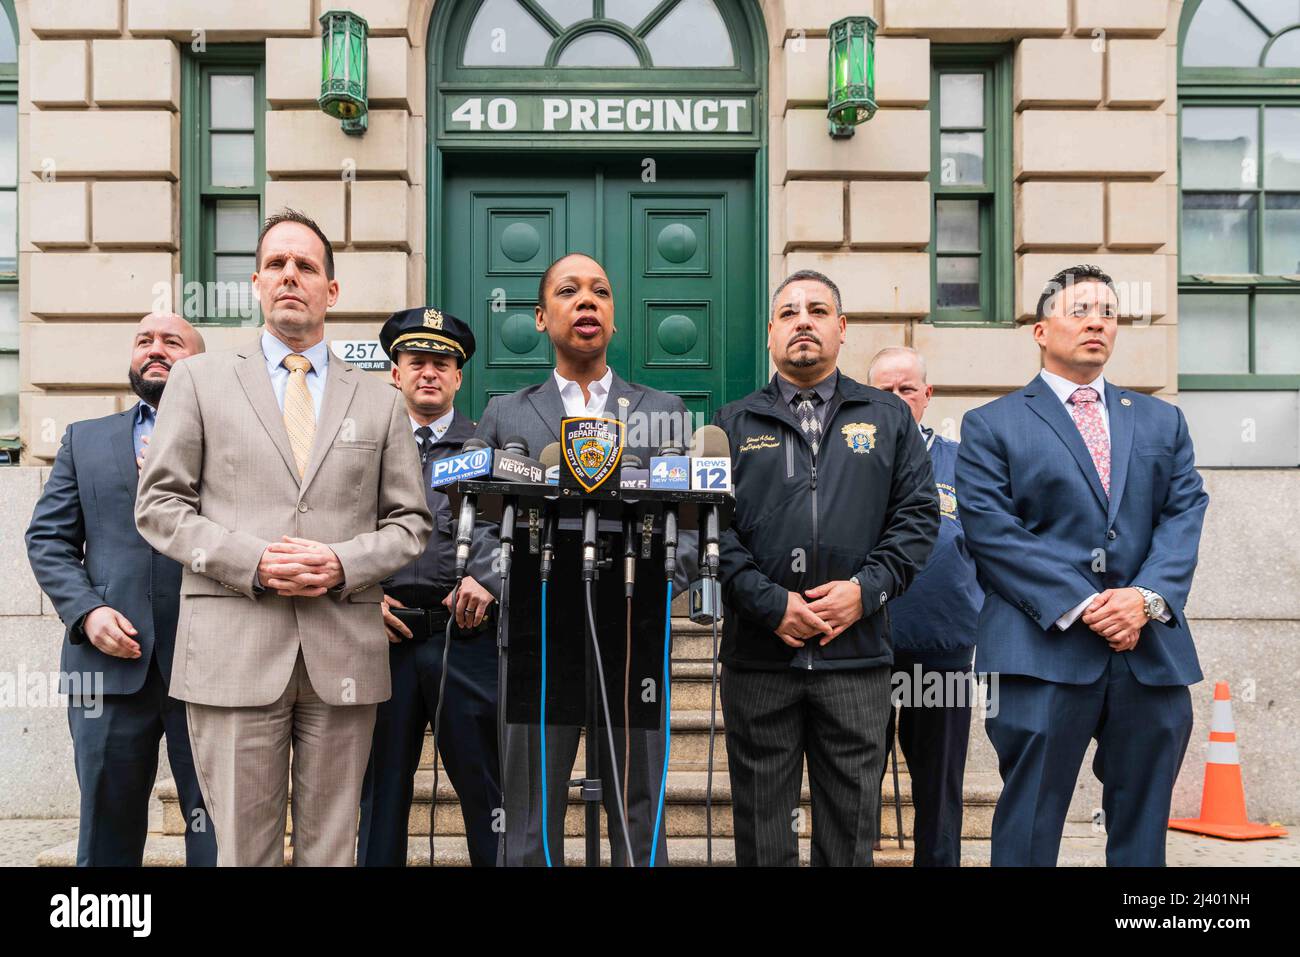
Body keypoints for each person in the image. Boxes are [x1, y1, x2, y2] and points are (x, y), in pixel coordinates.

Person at [135, 209, 432, 866]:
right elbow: (158, 506)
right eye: (277, 264)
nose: (291, 275)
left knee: (333, 849)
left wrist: (342, 562)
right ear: (257, 283)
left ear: (332, 290)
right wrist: (255, 560)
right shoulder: (198, 380)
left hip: (343, 653)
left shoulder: (380, 400)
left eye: (307, 266)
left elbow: (411, 524)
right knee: (244, 852)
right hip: (233, 649)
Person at [955, 263, 1209, 867]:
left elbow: (1184, 514)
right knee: (1031, 820)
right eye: (1080, 311)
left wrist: (1144, 598)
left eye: (1109, 314)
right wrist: (1088, 603)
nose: (1097, 322)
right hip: (1040, 648)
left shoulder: (1160, 420)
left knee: (1144, 824)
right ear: (1040, 331)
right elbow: (993, 532)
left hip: (1147, 652)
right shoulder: (991, 424)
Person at [713, 269, 939, 866]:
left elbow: (917, 520)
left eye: (817, 311)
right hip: (761, 660)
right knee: (764, 838)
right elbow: (707, 529)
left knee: (849, 836)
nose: (803, 322)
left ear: (842, 329)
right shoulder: (729, 424)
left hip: (856, 659)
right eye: (788, 313)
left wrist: (866, 592)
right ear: (770, 334)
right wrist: (769, 603)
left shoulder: (888, 418)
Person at [473, 252, 691, 866]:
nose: (586, 301)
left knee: (636, 806)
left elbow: (693, 522)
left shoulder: (662, 412)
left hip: (632, 628)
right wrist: (501, 581)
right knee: (529, 813)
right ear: (543, 318)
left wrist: (659, 582)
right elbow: (478, 519)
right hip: (538, 627)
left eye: (600, 291)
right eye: (569, 291)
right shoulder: (505, 413)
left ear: (614, 319)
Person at [25, 312, 216, 867]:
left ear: (199, 363)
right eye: (143, 341)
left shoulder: (233, 438)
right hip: (105, 669)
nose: (154, 349)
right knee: (107, 829)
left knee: (217, 826)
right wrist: (86, 613)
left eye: (171, 342)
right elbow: (48, 539)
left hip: (210, 664)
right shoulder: (85, 441)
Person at [356, 306, 500, 867]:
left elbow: (507, 530)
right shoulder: (365, 447)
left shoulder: (484, 449)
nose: (429, 373)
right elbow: (339, 528)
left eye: (442, 363)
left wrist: (487, 577)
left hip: (464, 640)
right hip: (381, 638)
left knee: (486, 791)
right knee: (380, 792)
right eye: (416, 362)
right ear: (395, 372)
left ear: (459, 376)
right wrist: (360, 597)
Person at [867, 346, 982, 867]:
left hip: (943, 645)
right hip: (861, 644)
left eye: (906, 389)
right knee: (854, 779)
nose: (895, 398)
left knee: (939, 785)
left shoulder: (964, 462)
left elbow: (993, 546)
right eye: (884, 390)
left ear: (927, 395)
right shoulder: (850, 462)